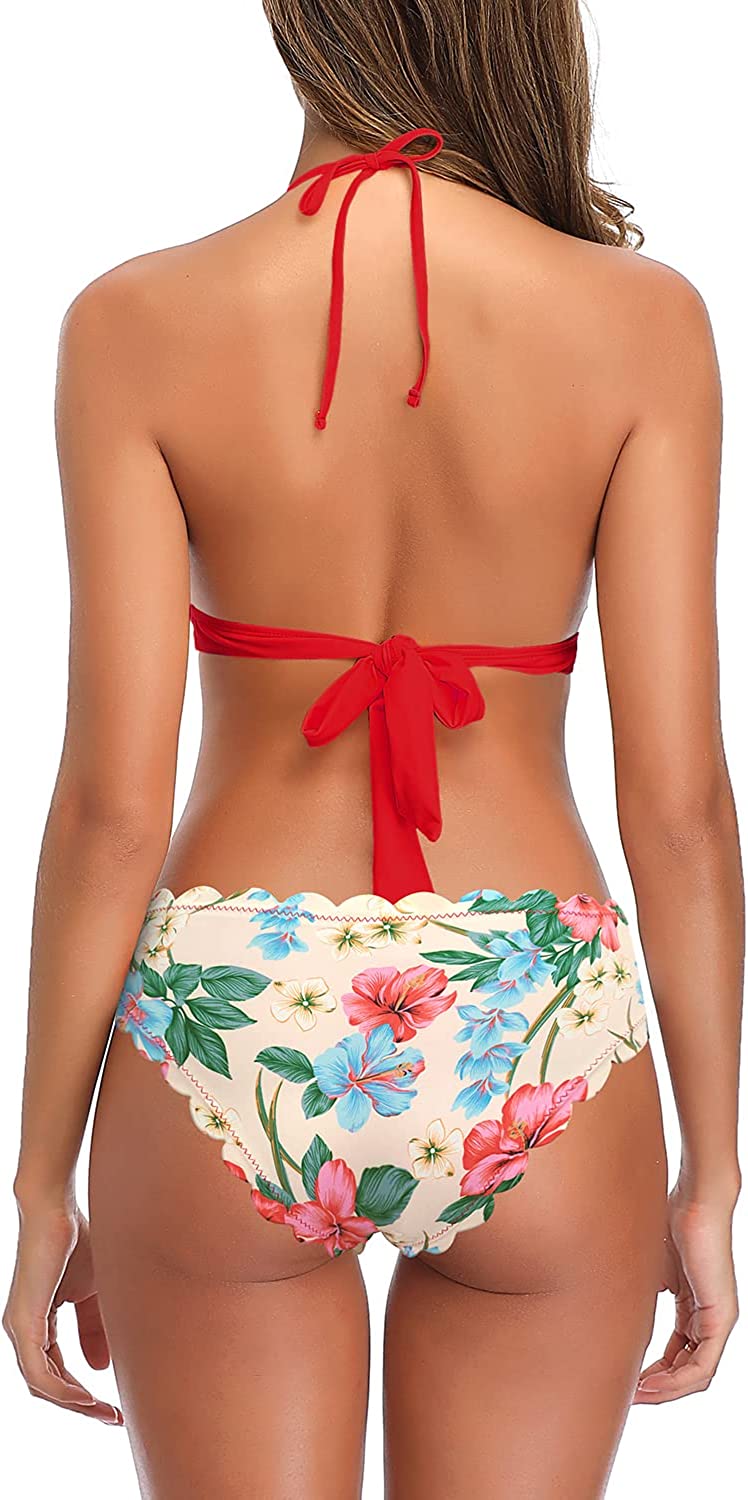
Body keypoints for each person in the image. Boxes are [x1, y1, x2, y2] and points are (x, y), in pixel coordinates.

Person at [3, 2, 742, 1496]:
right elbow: (678, 808)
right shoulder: (641, 322)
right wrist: (713, 1174)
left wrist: (41, 1184)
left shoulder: (135, 320)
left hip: (226, 1008)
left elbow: (109, 813)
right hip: (535, 1007)